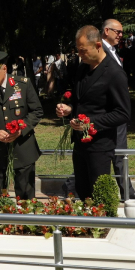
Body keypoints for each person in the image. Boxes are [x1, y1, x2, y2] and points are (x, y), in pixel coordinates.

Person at [56, 25, 131, 201]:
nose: (80, 55)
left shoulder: (114, 73)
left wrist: (90, 123)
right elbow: (80, 102)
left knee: (97, 197)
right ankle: (86, 226)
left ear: (98, 46)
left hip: (100, 146)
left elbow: (123, 113)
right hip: (80, 144)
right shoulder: (83, 68)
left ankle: (99, 226)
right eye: (78, 50)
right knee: (82, 193)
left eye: (83, 51)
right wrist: (69, 110)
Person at [0, 51, 43, 199]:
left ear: (4, 68)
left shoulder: (23, 85)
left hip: (23, 148)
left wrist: (21, 128)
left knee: (25, 198)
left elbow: (36, 111)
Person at [101, 19, 134, 199]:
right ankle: (127, 193)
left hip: (118, 111)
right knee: (113, 153)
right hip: (110, 111)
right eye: (118, 32)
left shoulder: (113, 51)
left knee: (118, 152)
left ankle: (127, 191)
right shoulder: (101, 51)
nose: (121, 35)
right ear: (106, 31)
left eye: (121, 32)